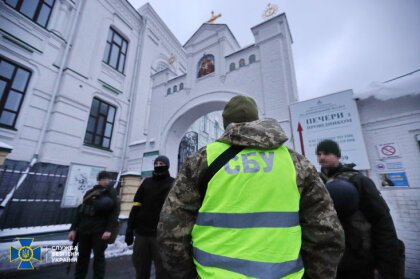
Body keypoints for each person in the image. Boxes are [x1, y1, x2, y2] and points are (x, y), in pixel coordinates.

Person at [157, 95, 344, 279]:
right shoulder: (296, 163)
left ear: (226, 124)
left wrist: (187, 275)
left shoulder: (201, 161)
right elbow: (327, 233)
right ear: (256, 120)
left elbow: (170, 230)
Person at [316, 139, 401, 279]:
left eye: (326, 153)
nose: (322, 157)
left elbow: (382, 221)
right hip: (329, 261)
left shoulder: (358, 180)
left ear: (337, 155)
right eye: (319, 154)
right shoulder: (317, 182)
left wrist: (386, 266)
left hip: (360, 261)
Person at [125, 156, 174, 279]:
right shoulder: (146, 183)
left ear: (167, 165)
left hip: (161, 235)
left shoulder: (173, 183)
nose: (158, 165)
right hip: (142, 234)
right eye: (156, 163)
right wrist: (130, 229)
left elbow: (177, 210)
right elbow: (136, 206)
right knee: (141, 268)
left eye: (161, 163)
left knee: (163, 270)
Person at [68, 171, 120, 279]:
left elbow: (114, 214)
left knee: (98, 258)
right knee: (82, 257)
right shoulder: (89, 193)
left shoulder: (112, 193)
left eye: (107, 179)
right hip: (84, 230)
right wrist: (73, 229)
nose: (105, 181)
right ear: (99, 180)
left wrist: (108, 230)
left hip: (100, 232)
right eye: (103, 179)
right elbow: (80, 211)